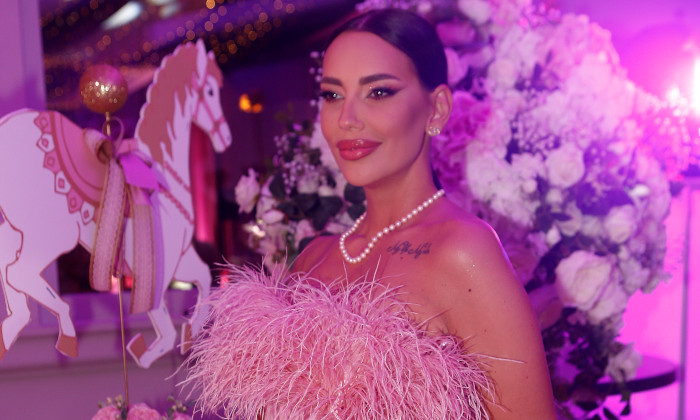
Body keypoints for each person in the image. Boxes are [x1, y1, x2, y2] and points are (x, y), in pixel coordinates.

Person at [185, 8, 556, 420]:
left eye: (378, 92)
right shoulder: (313, 258)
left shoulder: (464, 251)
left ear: (436, 109)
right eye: (332, 95)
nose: (347, 119)